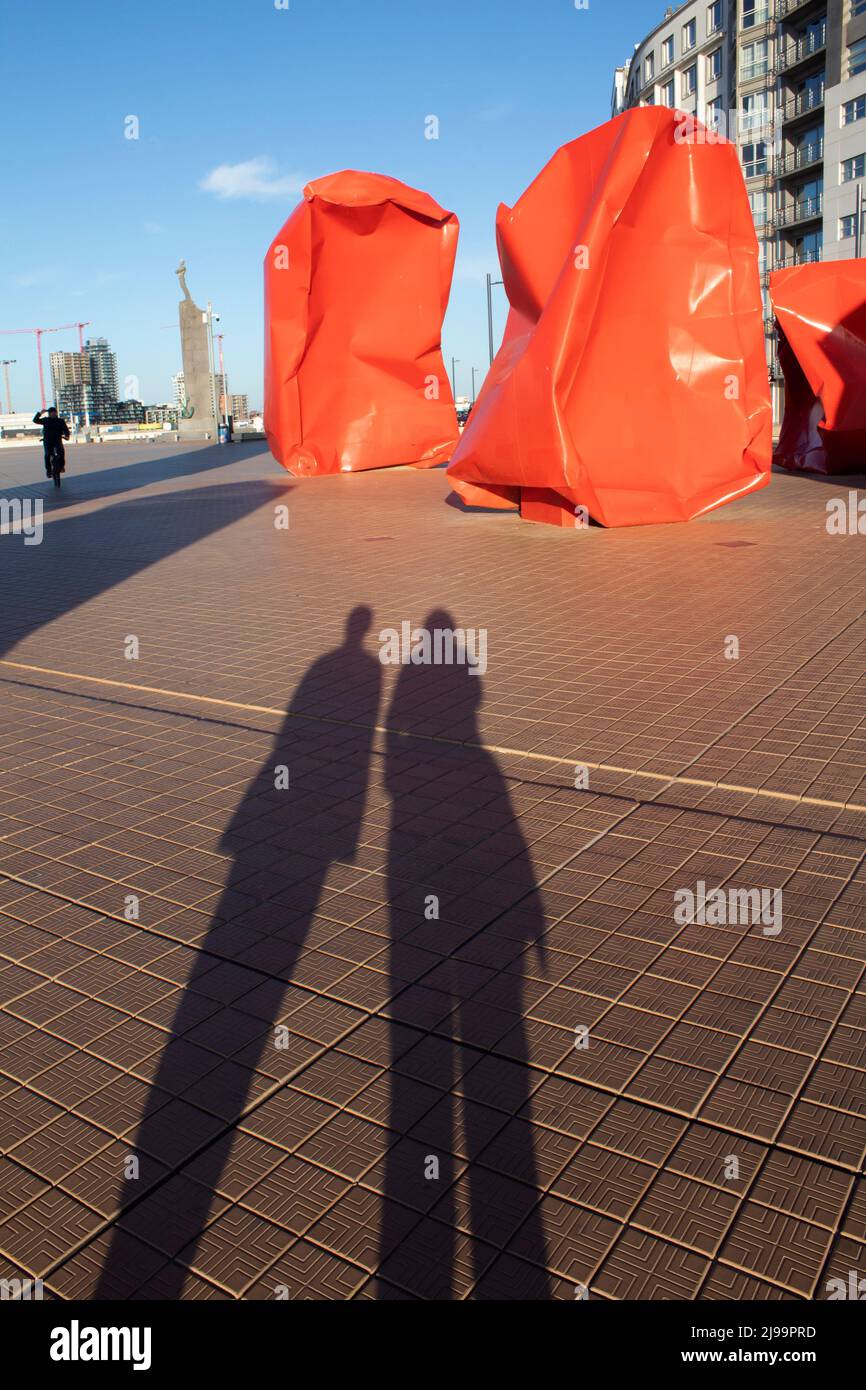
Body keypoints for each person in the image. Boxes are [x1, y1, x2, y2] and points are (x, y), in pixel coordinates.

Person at [33, 407, 70, 478]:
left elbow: (65, 429)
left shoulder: (60, 421)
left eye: (54, 412)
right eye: (51, 413)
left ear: (56, 413)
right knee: (47, 455)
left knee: (61, 452)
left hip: (57, 440)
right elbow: (35, 420)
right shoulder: (45, 420)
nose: (53, 414)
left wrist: (67, 436)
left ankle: (61, 466)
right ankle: (49, 471)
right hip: (47, 441)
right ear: (49, 414)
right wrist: (40, 413)